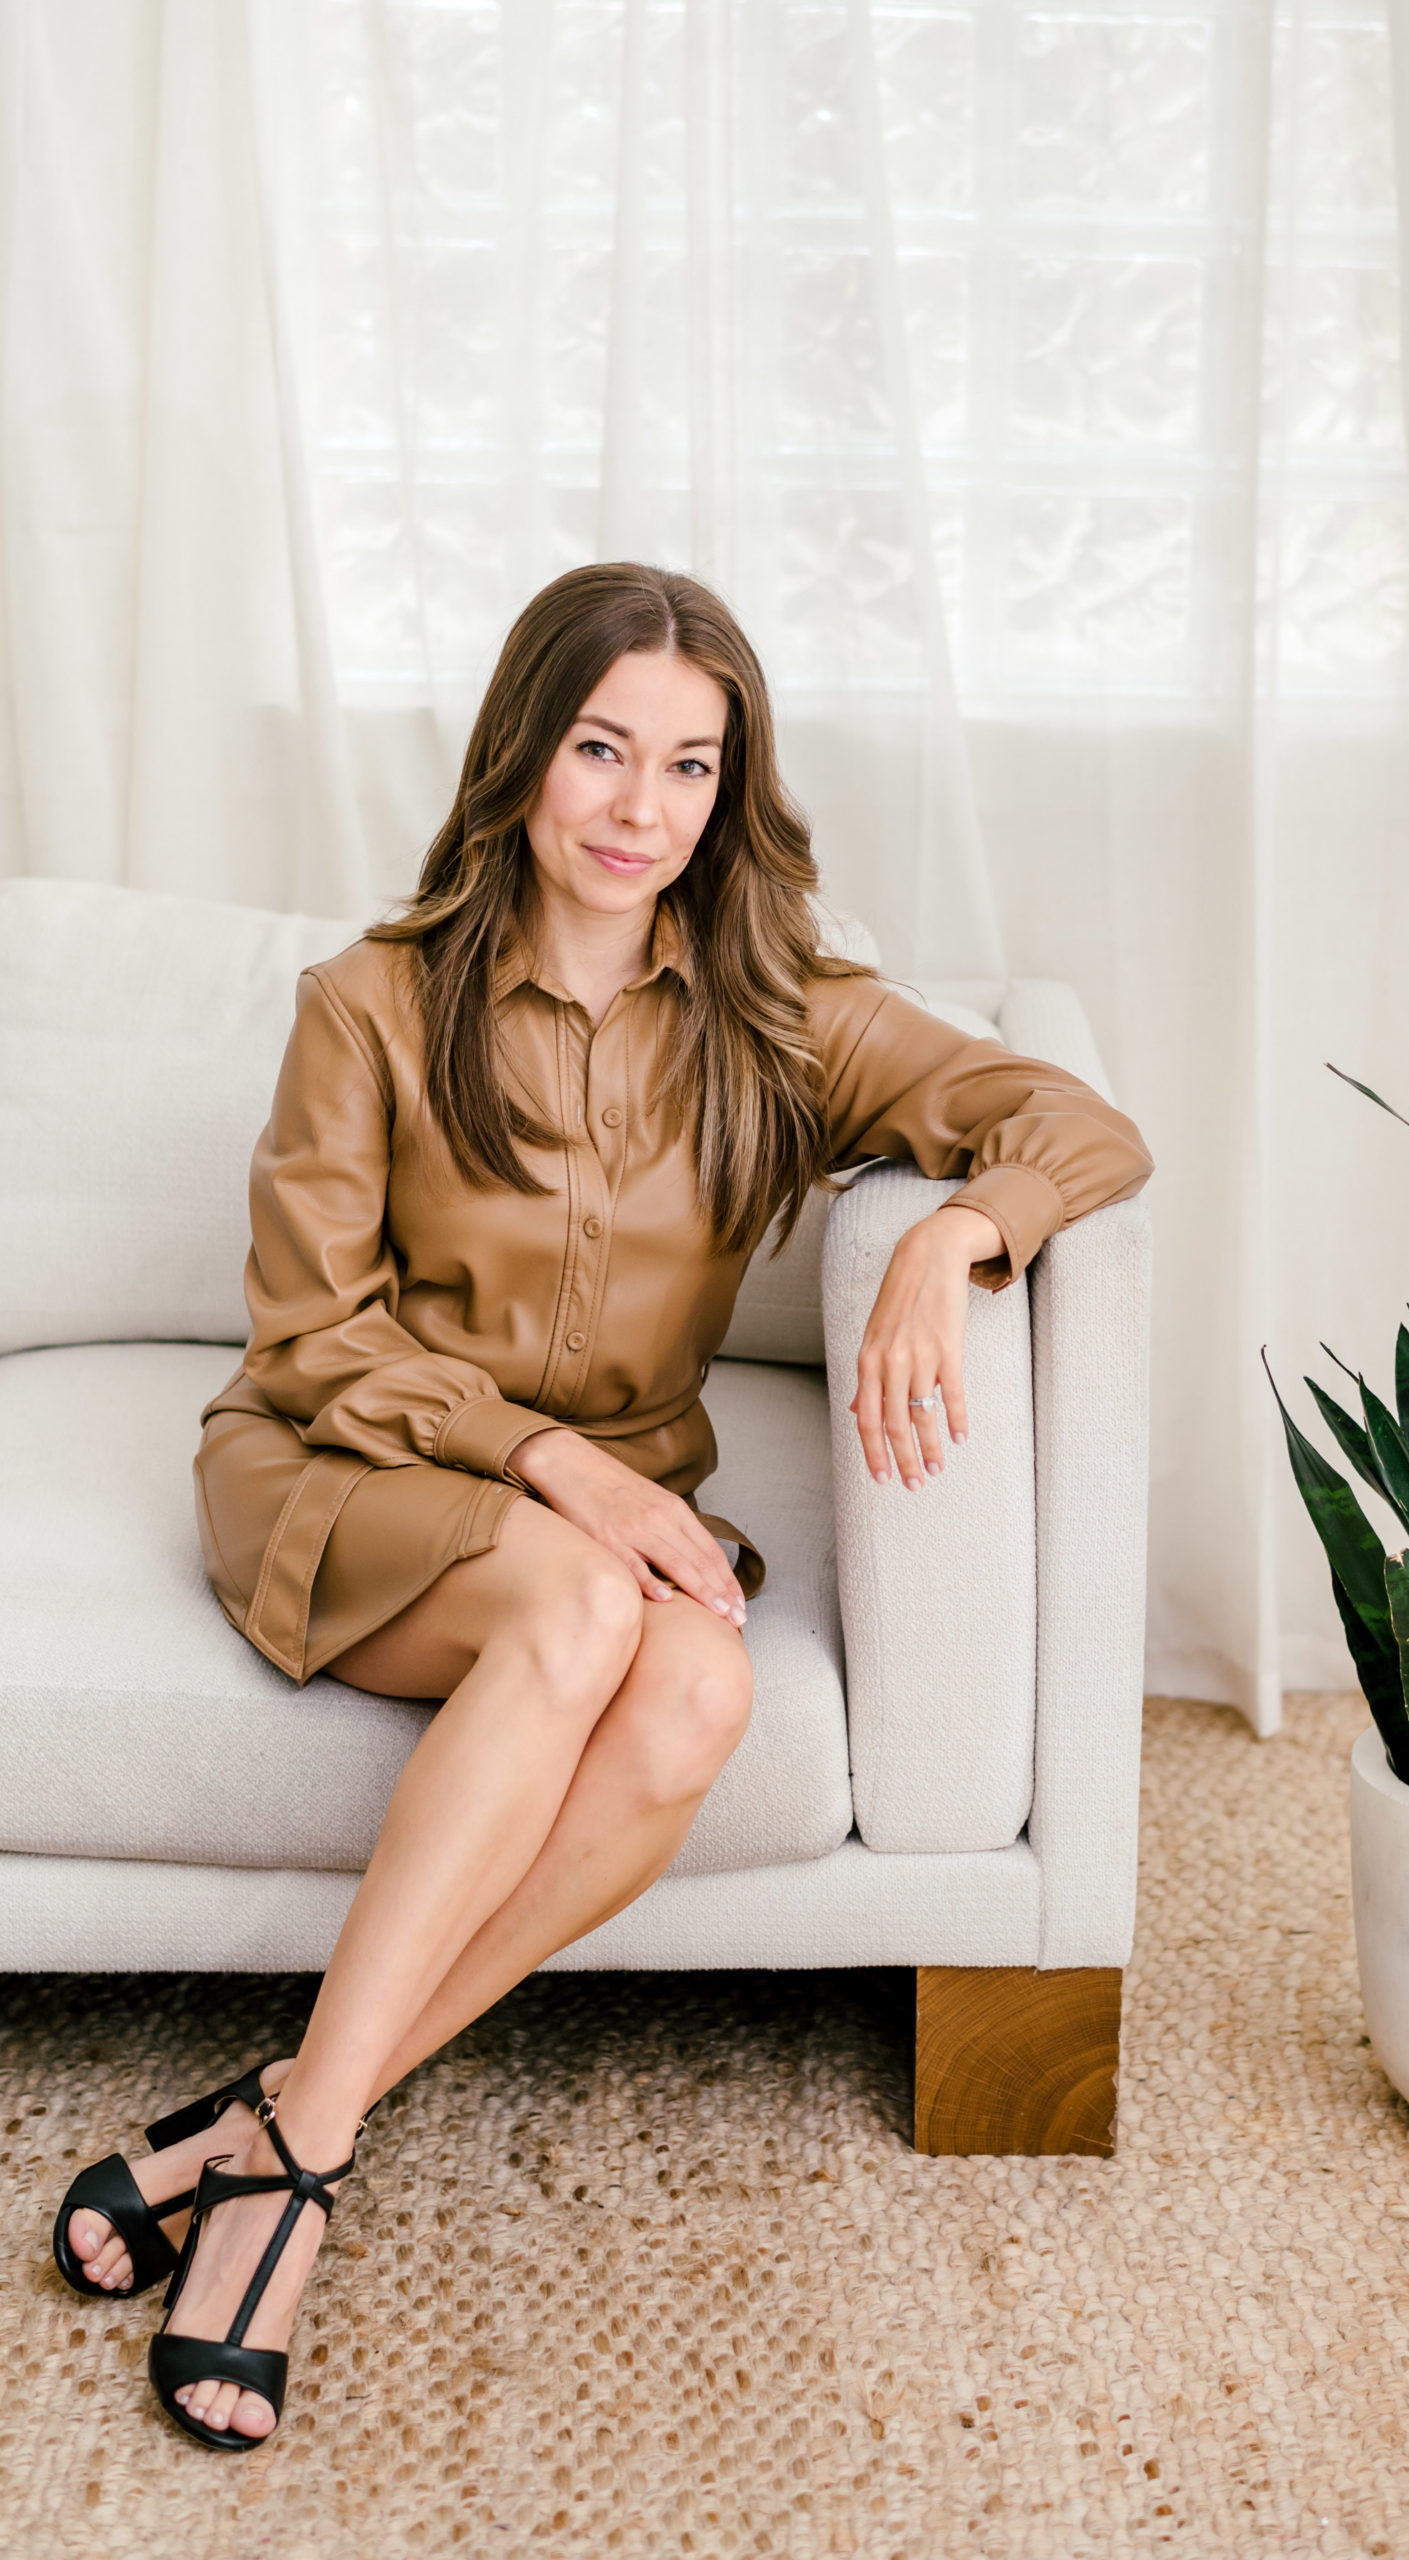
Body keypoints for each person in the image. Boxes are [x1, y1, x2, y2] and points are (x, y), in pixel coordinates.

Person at [51, 563, 1152, 2450]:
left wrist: (958, 1228)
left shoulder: (777, 1014)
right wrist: (550, 1463)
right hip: (347, 1474)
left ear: (730, 793)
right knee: (579, 1618)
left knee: (701, 1696)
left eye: (692, 767)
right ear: (524, 755)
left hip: (605, 1514)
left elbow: (1082, 1126)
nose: (642, 810)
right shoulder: (373, 1005)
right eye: (602, 750)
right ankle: (299, 2181)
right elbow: (309, 1333)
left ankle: (280, 2116)